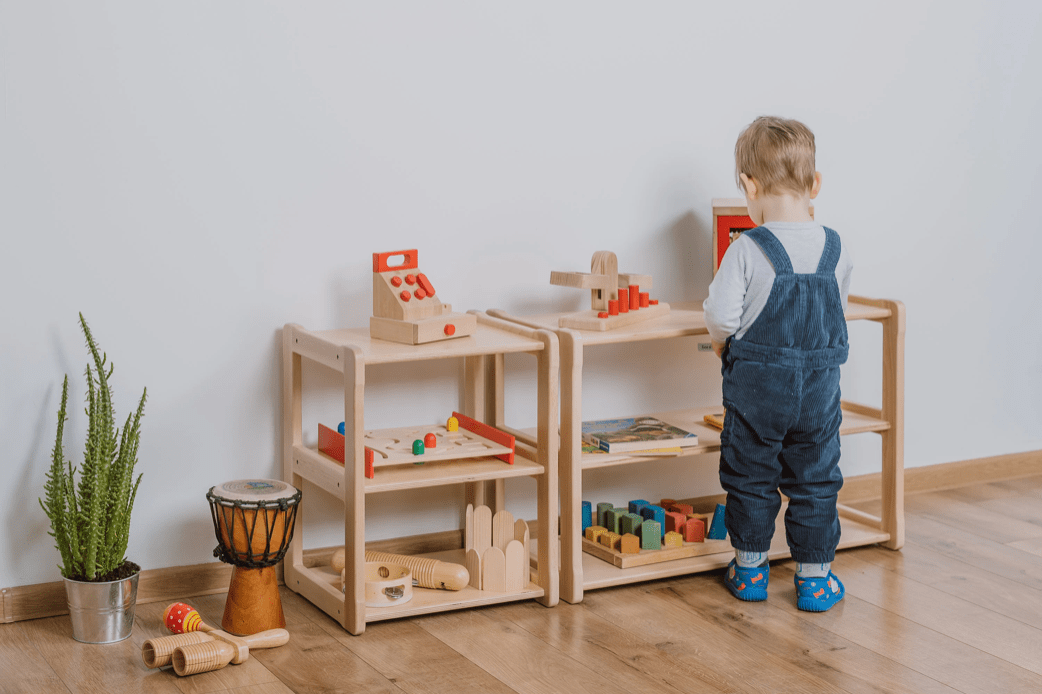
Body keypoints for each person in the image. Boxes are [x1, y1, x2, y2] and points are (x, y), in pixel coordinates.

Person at [703, 116, 853, 612]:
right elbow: (837, 313)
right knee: (816, 476)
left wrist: (727, 348)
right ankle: (814, 577)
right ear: (815, 186)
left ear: (749, 186)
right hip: (819, 391)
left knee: (750, 474)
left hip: (757, 391)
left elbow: (721, 317)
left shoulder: (746, 248)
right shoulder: (836, 248)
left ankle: (749, 570)